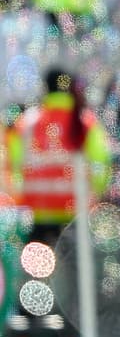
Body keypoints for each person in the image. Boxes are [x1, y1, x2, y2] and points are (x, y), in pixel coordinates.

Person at [7, 69, 110, 245]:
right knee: (73, 263)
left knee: (39, 261)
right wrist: (96, 194)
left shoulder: (26, 124)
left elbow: (13, 168)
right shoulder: (86, 122)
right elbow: (101, 166)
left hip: (38, 216)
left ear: (45, 87)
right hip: (76, 216)